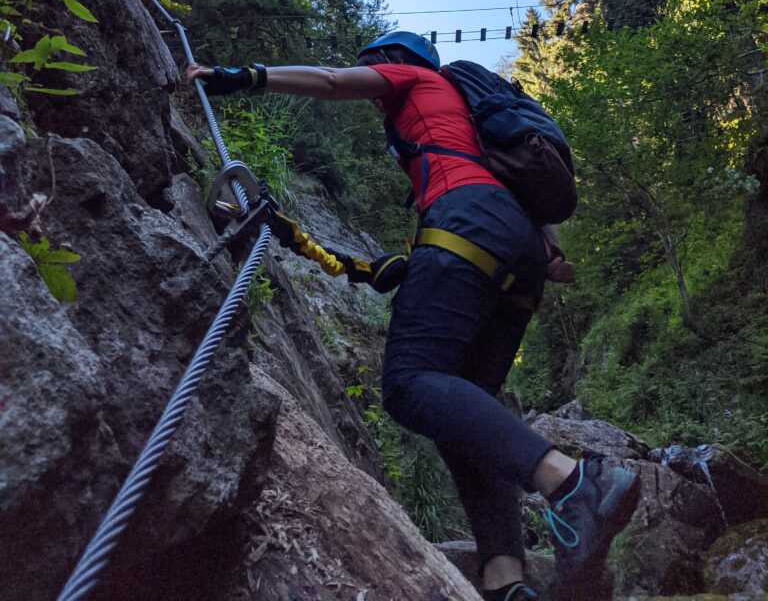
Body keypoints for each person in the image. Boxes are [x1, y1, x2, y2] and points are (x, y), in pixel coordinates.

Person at [187, 32, 639, 601]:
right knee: (462, 420)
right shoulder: (471, 126)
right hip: (519, 255)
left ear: (394, 62)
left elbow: (329, 82)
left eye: (372, 69)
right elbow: (518, 224)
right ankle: (507, 582)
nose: (372, 87)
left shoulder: (422, 79)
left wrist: (240, 76)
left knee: (408, 383)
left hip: (467, 222)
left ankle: (577, 483)